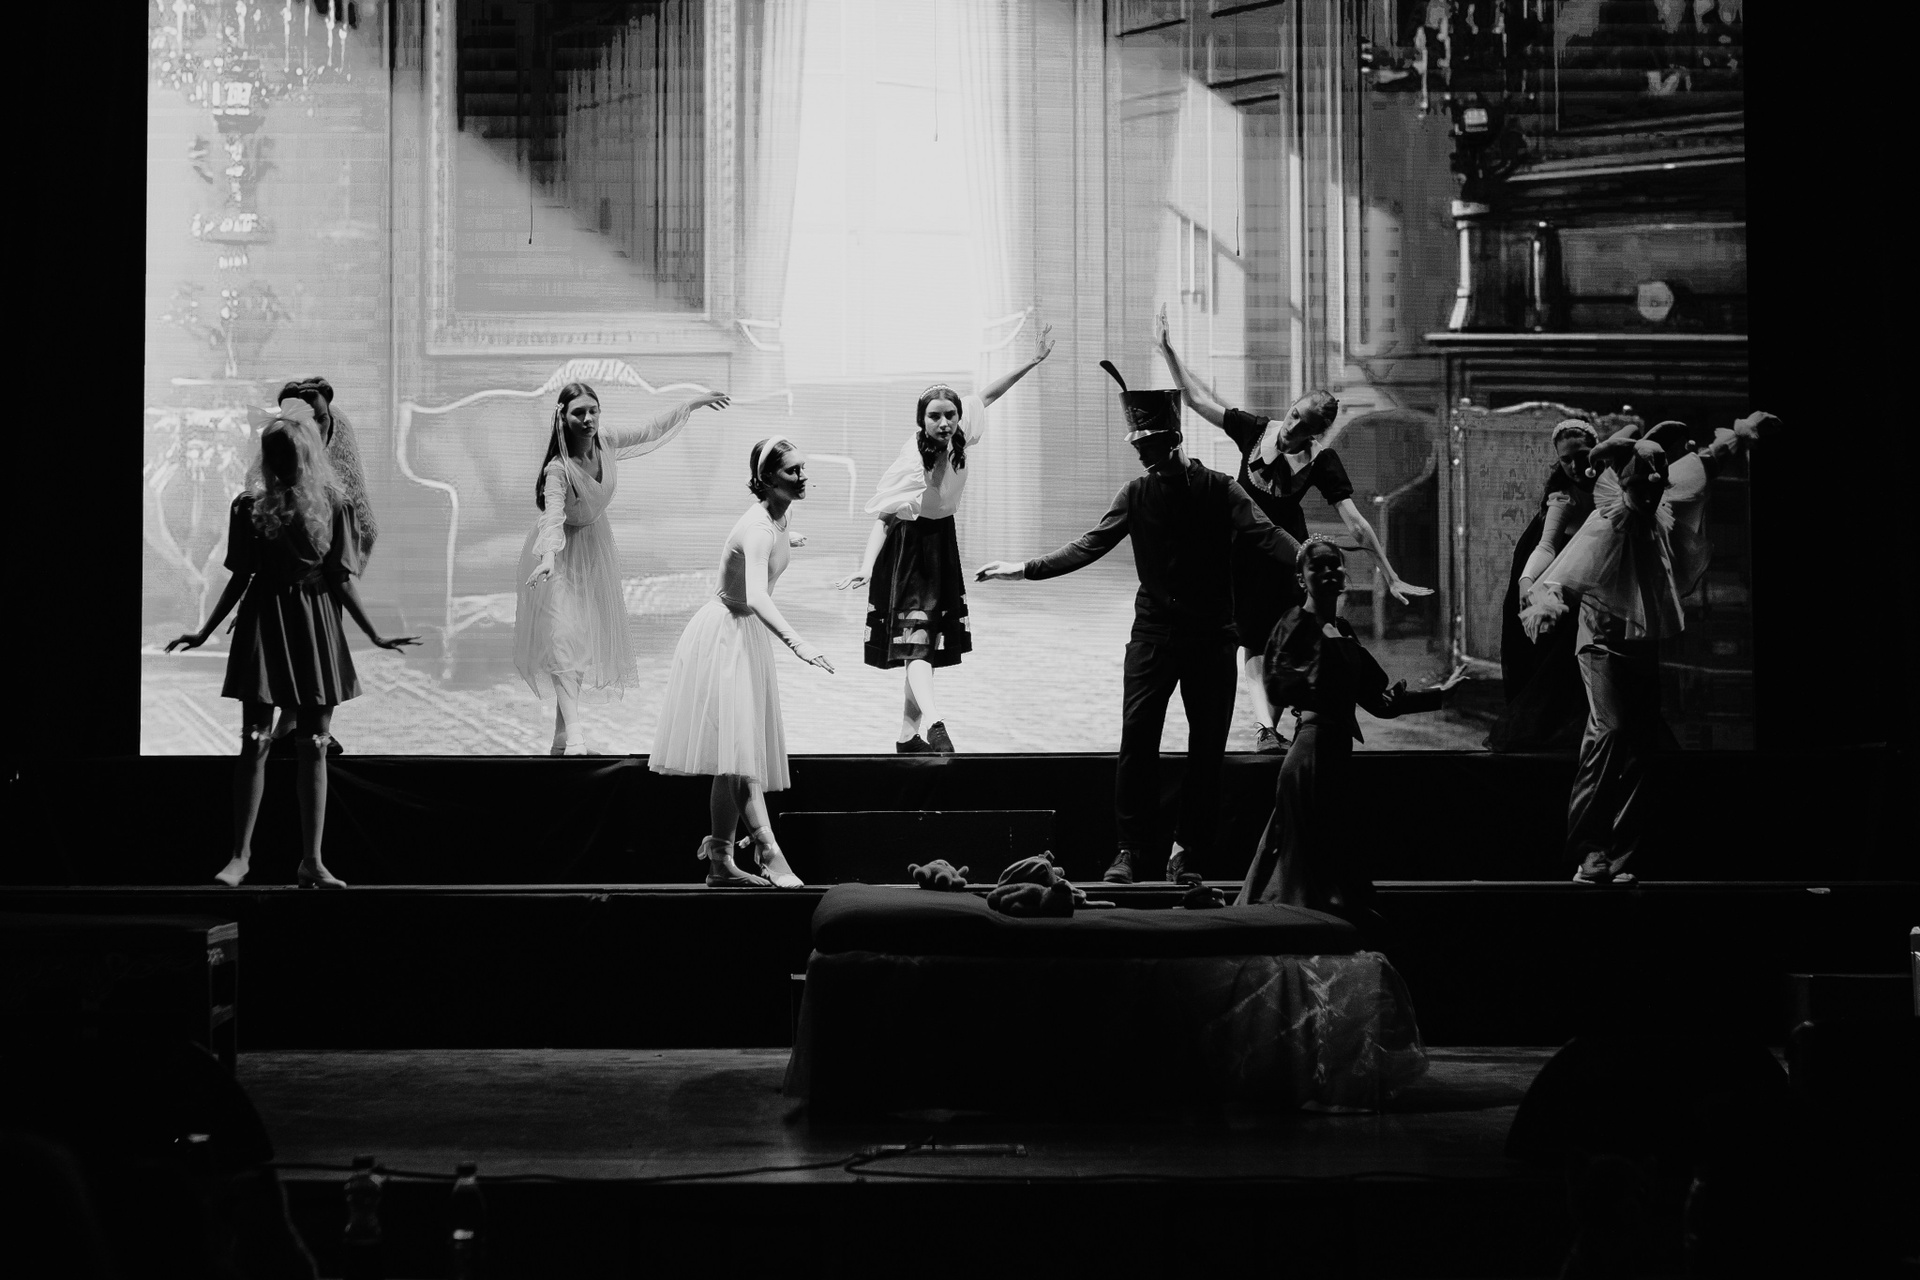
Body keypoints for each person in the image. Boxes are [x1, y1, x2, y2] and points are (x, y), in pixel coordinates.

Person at [975, 360, 1301, 885]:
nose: (1142, 452)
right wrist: (1025, 569)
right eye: (1137, 445)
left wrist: (1308, 557)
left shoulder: (1221, 489)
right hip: (1153, 637)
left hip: (1212, 637)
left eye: (1149, 443)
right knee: (1138, 743)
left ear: (1173, 438)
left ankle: (1187, 852)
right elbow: (1090, 544)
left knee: (1207, 750)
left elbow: (1267, 534)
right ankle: (1129, 851)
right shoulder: (1136, 493)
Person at [1157, 309, 1431, 753]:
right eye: (1293, 415)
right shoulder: (1254, 430)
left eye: (1305, 426)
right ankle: (1265, 729)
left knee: (1297, 633)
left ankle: (1309, 710)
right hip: (1241, 553)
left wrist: (1389, 572)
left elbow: (1356, 523)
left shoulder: (1321, 461)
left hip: (1287, 555)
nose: (1293, 427)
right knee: (1252, 644)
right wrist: (1169, 351)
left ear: (1317, 433)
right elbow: (1195, 402)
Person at [166, 417, 419, 887]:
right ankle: (240, 856)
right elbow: (239, 577)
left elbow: (341, 578)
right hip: (265, 619)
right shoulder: (248, 505)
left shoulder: (335, 505)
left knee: (314, 745)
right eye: (273, 454)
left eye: (287, 453)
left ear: (305, 454)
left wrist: (375, 634)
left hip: (314, 622)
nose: (280, 462)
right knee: (255, 739)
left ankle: (312, 861)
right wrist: (203, 632)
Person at [1526, 412, 1768, 885]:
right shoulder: (1604, 517)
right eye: (1641, 487)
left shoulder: (1660, 499)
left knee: (1641, 747)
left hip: (1641, 642)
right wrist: (1540, 596)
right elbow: (1561, 562)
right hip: (1601, 642)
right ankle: (1589, 850)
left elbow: (1705, 461)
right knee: (1611, 733)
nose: (1650, 494)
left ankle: (1619, 856)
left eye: (1655, 487)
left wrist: (1743, 433)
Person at [835, 323, 1055, 753]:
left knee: (926, 646)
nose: (944, 422)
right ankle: (935, 723)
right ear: (922, 421)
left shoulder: (960, 433)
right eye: (934, 416)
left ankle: (907, 737)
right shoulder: (912, 460)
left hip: (941, 543)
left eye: (950, 415)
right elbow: (885, 518)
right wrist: (866, 566)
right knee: (917, 645)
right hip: (910, 550)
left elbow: (987, 395)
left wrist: (1032, 361)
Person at [1236, 538, 1463, 917]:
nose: (1328, 572)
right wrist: (1326, 658)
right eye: (1317, 566)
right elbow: (1277, 685)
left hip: (1336, 761)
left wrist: (1440, 696)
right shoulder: (1295, 624)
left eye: (1334, 565)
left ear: (1344, 575)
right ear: (1301, 578)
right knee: (1305, 875)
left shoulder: (1342, 631)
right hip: (1309, 759)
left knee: (1333, 870)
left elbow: (1379, 702)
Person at [651, 438, 835, 888]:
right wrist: (797, 643)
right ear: (768, 478)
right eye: (792, 471)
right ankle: (769, 852)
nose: (802, 476)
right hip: (726, 633)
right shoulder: (758, 528)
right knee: (740, 752)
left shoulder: (778, 516)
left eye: (802, 468)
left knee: (733, 751)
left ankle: (720, 861)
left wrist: (787, 538)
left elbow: (765, 544)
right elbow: (755, 596)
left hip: (742, 633)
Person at [516, 381, 731, 755]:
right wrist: (548, 556)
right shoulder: (558, 469)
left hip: (593, 548)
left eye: (593, 411)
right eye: (578, 413)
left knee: (579, 643)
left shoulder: (607, 440)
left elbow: (651, 428)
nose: (588, 419)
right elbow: (552, 516)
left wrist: (692, 403)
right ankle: (576, 739)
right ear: (563, 418)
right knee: (563, 641)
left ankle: (561, 740)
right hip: (559, 555)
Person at [1486, 419, 1599, 752]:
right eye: (1566, 459)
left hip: (1598, 580)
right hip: (1558, 577)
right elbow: (1546, 546)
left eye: (1583, 455)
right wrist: (1526, 581)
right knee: (1559, 661)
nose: (1575, 465)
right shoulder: (1563, 497)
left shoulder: (1613, 485)